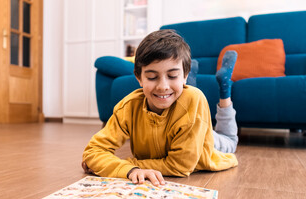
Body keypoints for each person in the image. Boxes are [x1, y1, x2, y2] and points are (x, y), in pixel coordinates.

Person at [82, 29, 238, 186]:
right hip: (187, 123)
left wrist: (125, 164)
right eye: (152, 77)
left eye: (172, 76)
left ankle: (225, 91)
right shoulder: (128, 107)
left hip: (205, 139)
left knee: (230, 140)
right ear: (139, 78)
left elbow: (180, 166)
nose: (162, 86)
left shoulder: (194, 100)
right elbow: (93, 152)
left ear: (184, 74)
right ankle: (186, 84)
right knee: (183, 96)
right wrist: (129, 170)